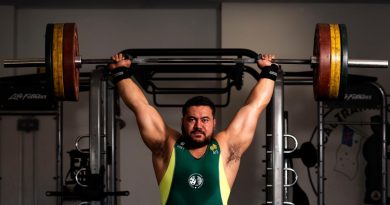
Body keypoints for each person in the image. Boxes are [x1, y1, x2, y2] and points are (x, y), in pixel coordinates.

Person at [108, 52, 279, 205]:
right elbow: (140, 106)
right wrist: (120, 73)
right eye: (192, 119)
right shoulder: (167, 145)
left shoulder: (227, 148)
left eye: (204, 120)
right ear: (183, 121)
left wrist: (268, 72)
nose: (198, 126)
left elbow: (254, 107)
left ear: (213, 122)